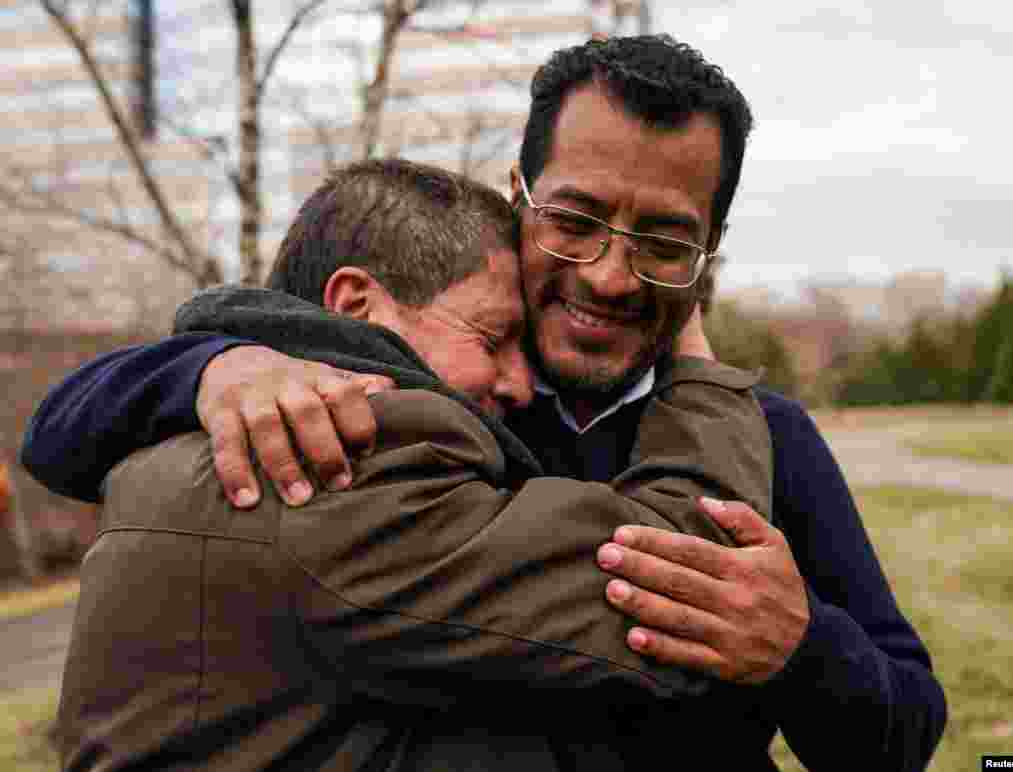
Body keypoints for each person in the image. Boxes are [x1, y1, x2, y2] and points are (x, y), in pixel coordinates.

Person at [23, 36, 945, 770]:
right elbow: (59, 439)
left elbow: (902, 732)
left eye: (665, 242)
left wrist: (800, 645)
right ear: (522, 199)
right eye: (576, 222)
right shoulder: (376, 404)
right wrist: (206, 367)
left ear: (712, 248)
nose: (614, 278)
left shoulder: (767, 435)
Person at [55, 158, 774, 770]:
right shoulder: (336, 468)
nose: (519, 383)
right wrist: (693, 356)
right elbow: (692, 582)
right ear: (358, 306)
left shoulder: (178, 431)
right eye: (494, 337)